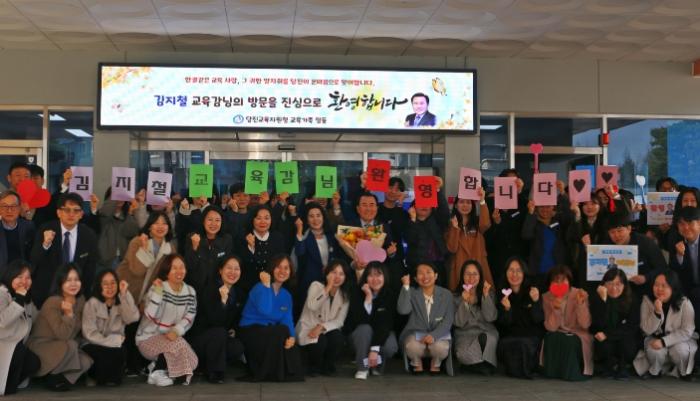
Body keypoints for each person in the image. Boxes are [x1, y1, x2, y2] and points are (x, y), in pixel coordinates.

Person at [116, 210, 176, 375]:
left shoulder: (170, 249)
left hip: (149, 295)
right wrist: (144, 249)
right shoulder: (137, 241)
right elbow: (137, 270)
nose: (160, 226)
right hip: (128, 290)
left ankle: (138, 364)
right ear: (149, 227)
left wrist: (148, 299)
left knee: (142, 328)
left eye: (164, 223)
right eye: (156, 223)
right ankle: (127, 365)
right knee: (128, 326)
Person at [238, 254, 304, 382]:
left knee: (286, 335)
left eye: (286, 268)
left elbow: (287, 319)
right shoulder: (260, 287)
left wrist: (292, 337)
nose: (282, 271)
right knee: (280, 331)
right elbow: (265, 310)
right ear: (272, 269)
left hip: (270, 332)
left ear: (290, 272)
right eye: (278, 267)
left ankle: (281, 373)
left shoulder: (286, 295)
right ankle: (267, 373)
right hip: (250, 331)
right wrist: (267, 286)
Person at [135, 254, 198, 387]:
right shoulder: (158, 287)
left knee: (193, 362)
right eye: (174, 268)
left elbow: (190, 316)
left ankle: (155, 367)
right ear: (166, 271)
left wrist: (177, 330)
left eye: (182, 267)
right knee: (178, 344)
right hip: (148, 338)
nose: (179, 271)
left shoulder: (190, 291)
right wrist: (158, 293)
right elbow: (150, 315)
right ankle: (158, 372)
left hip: (173, 338)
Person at [27, 264, 92, 391]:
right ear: (60, 283)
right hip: (42, 345)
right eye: (68, 280)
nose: (73, 283)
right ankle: (51, 375)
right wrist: (68, 314)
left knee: (86, 361)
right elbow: (63, 334)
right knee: (71, 345)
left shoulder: (80, 300)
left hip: (64, 346)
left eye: (76, 279)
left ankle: (58, 378)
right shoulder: (52, 302)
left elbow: (78, 330)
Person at [30, 192, 99, 308]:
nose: (71, 214)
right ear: (58, 213)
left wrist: (84, 296)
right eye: (67, 210)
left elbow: (90, 271)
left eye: (76, 210)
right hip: (46, 295)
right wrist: (45, 244)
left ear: (81, 214)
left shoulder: (89, 235)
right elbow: (34, 259)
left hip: (75, 296)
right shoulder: (46, 229)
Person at [188, 256, 246, 384]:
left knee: (237, 347)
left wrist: (234, 329)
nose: (233, 272)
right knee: (219, 332)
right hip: (201, 338)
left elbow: (235, 319)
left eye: (236, 269)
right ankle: (215, 373)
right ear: (220, 270)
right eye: (229, 268)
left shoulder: (238, 292)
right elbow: (215, 321)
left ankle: (204, 366)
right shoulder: (210, 289)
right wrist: (223, 302)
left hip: (220, 337)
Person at [633, 270, 697, 380]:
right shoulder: (647, 300)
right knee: (654, 351)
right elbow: (646, 329)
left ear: (673, 287)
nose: (659, 289)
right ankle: (655, 371)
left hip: (679, 340)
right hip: (655, 338)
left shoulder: (684, 302)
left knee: (680, 350)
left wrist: (664, 342)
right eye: (656, 285)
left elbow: (687, 331)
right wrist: (657, 313)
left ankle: (683, 372)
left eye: (664, 286)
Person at [81, 269, 140, 386]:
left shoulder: (122, 298)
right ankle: (94, 376)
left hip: (115, 344)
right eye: (105, 283)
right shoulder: (91, 303)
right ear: (99, 285)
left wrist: (123, 295)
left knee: (120, 352)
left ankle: (110, 379)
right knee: (104, 353)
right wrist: (112, 341)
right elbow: (89, 334)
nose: (110, 287)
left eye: (113, 283)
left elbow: (132, 318)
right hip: (93, 343)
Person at [296, 259, 350, 376]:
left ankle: (327, 366)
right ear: (327, 273)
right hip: (309, 327)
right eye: (334, 272)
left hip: (325, 329)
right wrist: (328, 287)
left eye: (341, 274)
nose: (337, 277)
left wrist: (322, 327)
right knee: (320, 341)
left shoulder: (344, 295)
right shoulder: (316, 286)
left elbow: (339, 321)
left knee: (337, 338)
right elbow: (312, 306)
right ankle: (313, 367)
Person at [398, 262, 454, 374]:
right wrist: (406, 286)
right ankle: (416, 362)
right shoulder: (411, 292)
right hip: (415, 335)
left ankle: (436, 362)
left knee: (440, 348)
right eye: (420, 273)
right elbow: (403, 310)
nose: (425, 276)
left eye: (429, 272)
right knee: (411, 346)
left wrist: (434, 335)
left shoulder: (446, 294)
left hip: (439, 334)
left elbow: (448, 321)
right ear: (415, 278)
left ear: (436, 275)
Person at [346, 262, 398, 380]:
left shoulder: (390, 294)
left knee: (390, 346)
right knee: (365, 328)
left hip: (381, 332)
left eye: (378, 275)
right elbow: (360, 320)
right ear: (365, 277)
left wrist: (374, 348)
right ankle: (363, 368)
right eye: (370, 275)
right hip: (360, 335)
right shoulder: (356, 292)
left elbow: (385, 324)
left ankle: (374, 365)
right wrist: (368, 297)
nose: (375, 279)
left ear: (385, 276)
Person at [540, 265, 593, 381]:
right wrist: (556, 309)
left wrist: (580, 304)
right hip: (557, 331)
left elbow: (585, 324)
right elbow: (551, 327)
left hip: (578, 333)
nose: (559, 284)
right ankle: (554, 373)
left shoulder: (579, 293)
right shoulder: (546, 297)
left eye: (563, 280)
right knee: (551, 337)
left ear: (569, 281)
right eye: (555, 281)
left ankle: (573, 373)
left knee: (570, 341)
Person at [292, 202, 342, 320]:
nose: (315, 219)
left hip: (332, 282)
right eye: (311, 216)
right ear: (307, 219)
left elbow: (339, 257)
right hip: (310, 283)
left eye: (318, 215)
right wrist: (299, 231)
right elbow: (299, 252)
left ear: (323, 217)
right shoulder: (305, 236)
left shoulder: (331, 235)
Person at [496, 257, 543, 379]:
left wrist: (536, 302)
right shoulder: (501, 293)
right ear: (506, 272)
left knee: (523, 344)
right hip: (510, 335)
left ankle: (524, 371)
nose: (514, 274)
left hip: (530, 336)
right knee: (508, 344)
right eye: (511, 270)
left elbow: (538, 319)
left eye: (518, 271)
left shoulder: (532, 291)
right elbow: (503, 324)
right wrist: (507, 309)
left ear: (524, 273)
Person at [590, 268, 640, 379]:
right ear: (603, 284)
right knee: (602, 342)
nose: (614, 288)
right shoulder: (596, 298)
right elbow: (596, 325)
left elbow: (632, 326)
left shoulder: (632, 299)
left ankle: (623, 366)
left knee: (627, 342)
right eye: (610, 283)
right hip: (605, 336)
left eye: (618, 284)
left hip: (622, 335)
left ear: (624, 285)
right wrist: (603, 301)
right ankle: (608, 365)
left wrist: (608, 335)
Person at [0, 260, 40, 395]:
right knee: (20, 351)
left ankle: (8, 384)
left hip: (14, 347)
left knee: (34, 362)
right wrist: (18, 300)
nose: (24, 281)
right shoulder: (1, 293)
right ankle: (6, 387)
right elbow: (2, 321)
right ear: (10, 276)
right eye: (19, 277)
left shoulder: (27, 299)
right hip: (2, 345)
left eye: (28, 278)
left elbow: (37, 318)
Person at [521, 187, 574, 287]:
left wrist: (563, 194)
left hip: (558, 274)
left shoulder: (560, 221)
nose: (545, 209)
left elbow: (570, 215)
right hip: (537, 273)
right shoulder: (533, 222)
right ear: (537, 207)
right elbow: (526, 235)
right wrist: (531, 213)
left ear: (553, 206)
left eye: (548, 206)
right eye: (541, 206)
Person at [453, 260, 498, 374]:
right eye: (468, 274)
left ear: (480, 276)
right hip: (465, 335)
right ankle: (481, 365)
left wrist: (486, 296)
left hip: (486, 333)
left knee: (486, 340)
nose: (471, 277)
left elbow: (491, 318)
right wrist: (464, 302)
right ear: (462, 276)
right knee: (461, 354)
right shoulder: (455, 297)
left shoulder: (489, 293)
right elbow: (458, 323)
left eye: (475, 274)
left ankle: (474, 366)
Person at [606, 212, 667, 296]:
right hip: (618, 292)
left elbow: (662, 267)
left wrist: (645, 278)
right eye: (612, 232)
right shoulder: (606, 247)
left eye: (620, 231)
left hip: (646, 290)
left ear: (629, 229)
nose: (616, 235)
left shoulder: (645, 243)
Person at [486, 169, 530, 284]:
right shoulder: (490, 203)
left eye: (514, 181)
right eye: (507, 180)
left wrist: (520, 192)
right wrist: (497, 223)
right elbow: (486, 233)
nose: (510, 184)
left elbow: (528, 224)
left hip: (518, 257)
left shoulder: (522, 203)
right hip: (496, 258)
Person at [405, 177, 450, 286]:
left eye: (427, 203)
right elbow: (410, 239)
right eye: (420, 203)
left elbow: (444, 211)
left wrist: (437, 190)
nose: (424, 206)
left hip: (438, 266)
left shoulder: (437, 220)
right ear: (413, 207)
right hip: (417, 267)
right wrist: (413, 220)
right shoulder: (409, 222)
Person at [445, 188, 493, 291]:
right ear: (456, 205)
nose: (465, 205)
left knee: (481, 296)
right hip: (459, 267)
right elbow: (452, 248)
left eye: (468, 202)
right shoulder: (450, 224)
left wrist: (482, 200)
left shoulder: (477, 223)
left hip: (479, 265)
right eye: (461, 202)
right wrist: (455, 229)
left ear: (472, 206)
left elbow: (486, 224)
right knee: (461, 297)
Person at [184, 206, 234, 294]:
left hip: (218, 289)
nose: (213, 223)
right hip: (195, 288)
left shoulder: (227, 240)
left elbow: (227, 265)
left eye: (217, 220)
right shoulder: (193, 237)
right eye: (210, 219)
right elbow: (189, 266)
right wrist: (194, 247)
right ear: (203, 221)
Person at [669, 207, 700, 332]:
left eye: (690, 222)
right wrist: (679, 256)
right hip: (687, 291)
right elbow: (673, 272)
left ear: (699, 223)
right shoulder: (675, 242)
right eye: (681, 224)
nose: (686, 227)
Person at [241, 205, 287, 289]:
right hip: (249, 286)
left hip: (272, 285)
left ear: (271, 220)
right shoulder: (244, 237)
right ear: (252, 220)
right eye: (258, 218)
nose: (263, 222)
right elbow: (242, 266)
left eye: (266, 218)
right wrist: (250, 248)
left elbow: (281, 263)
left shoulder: (278, 238)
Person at [566, 197, 609, 287]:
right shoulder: (576, 220)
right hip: (580, 267)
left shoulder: (606, 222)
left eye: (593, 203)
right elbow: (572, 237)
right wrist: (577, 215)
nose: (589, 207)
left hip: (601, 268)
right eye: (585, 204)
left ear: (600, 206)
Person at [96, 188, 140, 271]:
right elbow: (105, 212)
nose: (120, 199)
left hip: (123, 260)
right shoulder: (103, 214)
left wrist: (130, 213)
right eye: (116, 196)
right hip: (105, 261)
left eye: (122, 196)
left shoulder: (127, 215)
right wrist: (115, 194)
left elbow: (131, 232)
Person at [0, 191, 35, 274]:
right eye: (5, 206)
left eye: (13, 206)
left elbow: (33, 255)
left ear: (19, 208)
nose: (9, 210)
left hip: (22, 275)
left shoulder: (28, 226)